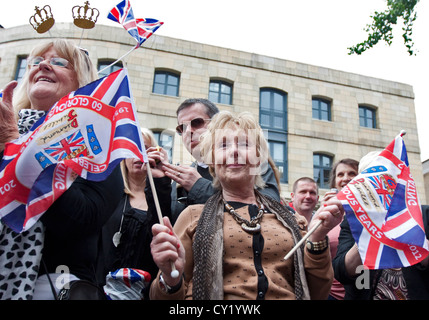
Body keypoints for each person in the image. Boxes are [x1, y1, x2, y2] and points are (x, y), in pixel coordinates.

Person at [150, 111, 344, 300]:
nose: (235, 151)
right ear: (212, 162)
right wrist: (169, 277)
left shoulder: (294, 221)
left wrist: (317, 238)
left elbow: (317, 293)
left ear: (259, 159)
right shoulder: (192, 216)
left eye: (244, 144)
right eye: (223, 146)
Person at [0, 39, 124, 299]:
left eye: (58, 62)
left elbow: (84, 218)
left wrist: (17, 150)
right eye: (36, 61)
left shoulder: (97, 142)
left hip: (53, 284)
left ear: (80, 80)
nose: (43, 65)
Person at [161, 98, 281, 224]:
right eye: (182, 128)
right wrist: (159, 183)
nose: (188, 131)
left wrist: (199, 187)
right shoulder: (178, 180)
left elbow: (269, 209)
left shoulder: (251, 164)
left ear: (217, 124)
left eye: (196, 122)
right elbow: (164, 225)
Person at [332, 153, 429, 299]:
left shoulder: (423, 214)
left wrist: (409, 228)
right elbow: (342, 271)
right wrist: (368, 231)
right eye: (372, 181)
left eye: (386, 177)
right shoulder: (354, 220)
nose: (380, 186)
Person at [98, 128, 171, 299]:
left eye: (145, 148)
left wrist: (161, 181)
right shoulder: (109, 193)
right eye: (132, 148)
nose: (139, 154)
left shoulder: (163, 196)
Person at [322, 158, 359, 300]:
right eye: (340, 175)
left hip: (362, 291)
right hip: (329, 294)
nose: (346, 179)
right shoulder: (327, 212)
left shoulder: (368, 214)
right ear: (334, 182)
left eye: (352, 173)